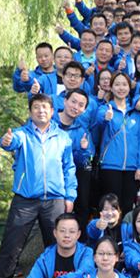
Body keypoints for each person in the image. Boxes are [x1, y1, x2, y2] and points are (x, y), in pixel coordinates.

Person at [0, 94, 77, 278]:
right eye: (36, 107)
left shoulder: (62, 137)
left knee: (58, 246)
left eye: (45, 107)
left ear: (52, 111)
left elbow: (69, 168)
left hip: (55, 199)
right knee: (11, 244)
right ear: (30, 112)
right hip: (25, 199)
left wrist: (70, 196)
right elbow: (10, 142)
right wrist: (5, 141)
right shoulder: (22, 134)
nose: (41, 111)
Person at [1, 214, 93, 278]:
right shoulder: (45, 258)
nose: (67, 235)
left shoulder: (87, 253)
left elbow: (83, 273)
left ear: (78, 234)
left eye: (72, 231)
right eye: (62, 231)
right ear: (55, 233)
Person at [98, 72, 140, 215]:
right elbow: (100, 121)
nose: (121, 88)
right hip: (110, 166)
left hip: (132, 169)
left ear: (129, 88)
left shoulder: (136, 114)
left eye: (124, 84)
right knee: (111, 207)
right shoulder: (105, 109)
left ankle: (125, 230)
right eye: (117, 84)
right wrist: (106, 117)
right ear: (111, 87)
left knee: (127, 206)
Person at [53, 88, 95, 239]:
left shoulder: (82, 131)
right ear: (65, 101)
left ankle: (78, 244)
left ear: (84, 110)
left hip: (68, 175)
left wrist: (83, 151)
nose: (76, 107)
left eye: (81, 105)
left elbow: (78, 162)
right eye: (73, 102)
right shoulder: (49, 122)